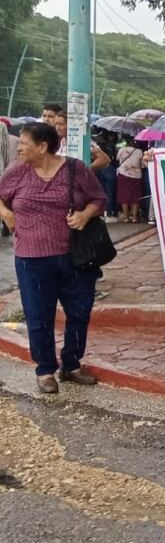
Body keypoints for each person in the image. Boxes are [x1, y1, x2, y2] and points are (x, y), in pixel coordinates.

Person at [0, 122, 106, 393]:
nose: (19, 148)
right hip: (31, 260)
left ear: (43, 147)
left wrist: (85, 214)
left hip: (75, 258)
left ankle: (71, 365)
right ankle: (45, 369)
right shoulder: (17, 172)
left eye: (24, 143)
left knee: (80, 313)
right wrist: (7, 214)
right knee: (38, 316)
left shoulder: (75, 168)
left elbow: (98, 198)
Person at [116, 138, 144, 223]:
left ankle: (125, 217)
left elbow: (117, 159)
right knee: (135, 196)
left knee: (124, 195)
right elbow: (142, 165)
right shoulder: (139, 151)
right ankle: (134, 217)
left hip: (123, 175)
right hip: (136, 176)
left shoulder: (122, 150)